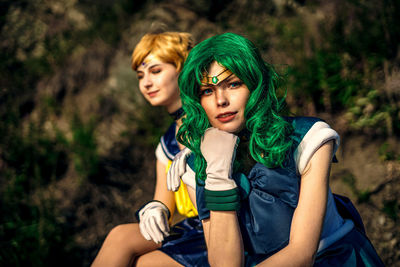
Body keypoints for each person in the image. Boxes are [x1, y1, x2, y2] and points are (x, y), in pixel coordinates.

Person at [167, 32, 384, 266]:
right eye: (207, 91)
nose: (221, 100)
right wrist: (217, 173)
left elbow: (302, 254)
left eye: (233, 84)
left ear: (255, 86)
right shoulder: (195, 168)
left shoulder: (308, 138)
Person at [91, 31, 208, 267]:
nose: (146, 83)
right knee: (120, 236)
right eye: (140, 75)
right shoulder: (167, 144)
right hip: (193, 229)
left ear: (183, 68)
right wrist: (155, 210)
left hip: (226, 225)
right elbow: (164, 206)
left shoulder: (216, 115)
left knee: (145, 263)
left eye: (155, 71)